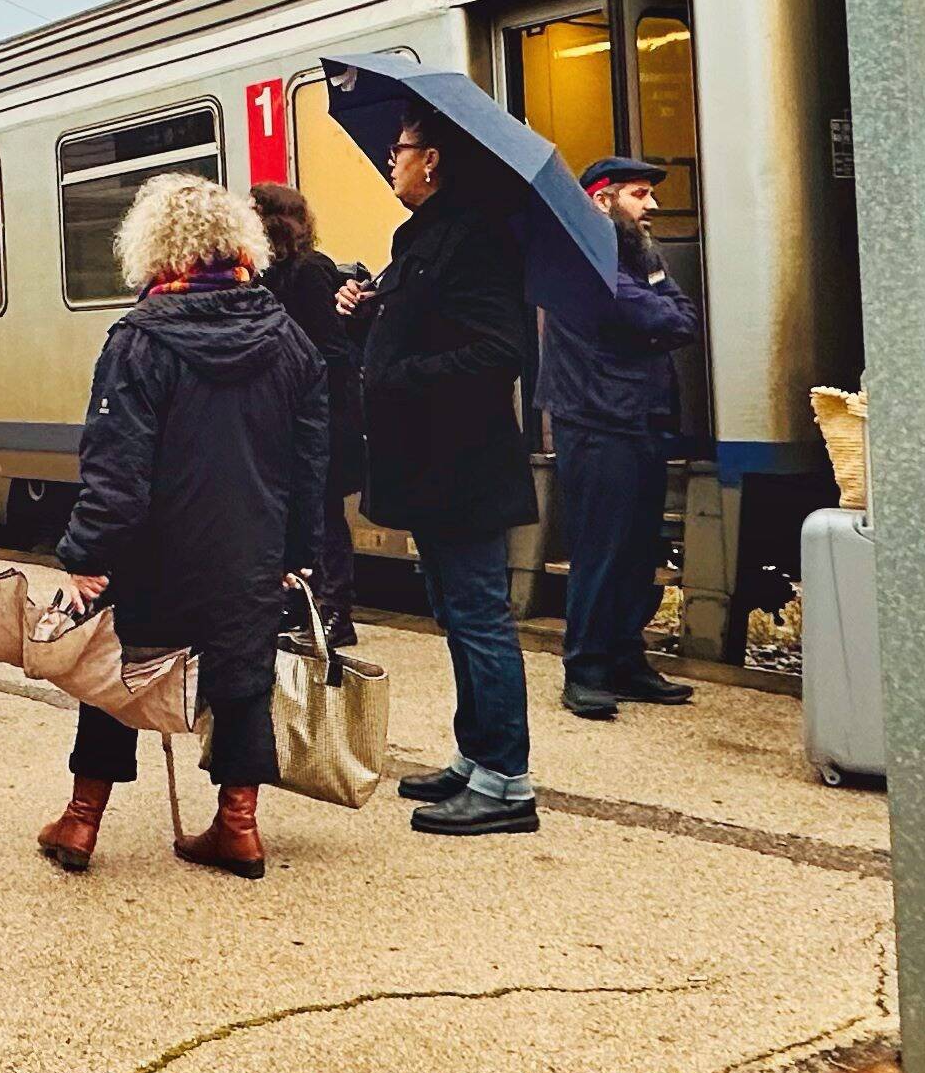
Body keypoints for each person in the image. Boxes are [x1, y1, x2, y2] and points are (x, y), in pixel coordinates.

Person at [40, 175, 325, 878]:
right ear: (237, 244)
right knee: (242, 680)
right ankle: (239, 827)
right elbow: (311, 457)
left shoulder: (139, 339)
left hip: (152, 550)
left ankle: (81, 823)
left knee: (115, 675)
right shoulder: (288, 338)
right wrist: (297, 550)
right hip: (248, 546)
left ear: (156, 247)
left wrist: (87, 552)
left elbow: (115, 462)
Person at [361, 112, 539, 838]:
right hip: (433, 465)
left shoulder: (476, 238)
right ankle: (475, 756)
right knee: (454, 613)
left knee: (478, 616)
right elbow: (423, 325)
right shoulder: (423, 237)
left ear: (431, 159)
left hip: (465, 464)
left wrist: (401, 375)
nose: (389, 160)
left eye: (397, 148)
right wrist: (363, 312)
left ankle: (507, 782)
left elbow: (499, 352)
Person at [542, 156, 702, 721]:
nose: (652, 207)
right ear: (602, 200)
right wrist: (656, 314)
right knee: (601, 549)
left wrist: (656, 312)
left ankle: (626, 658)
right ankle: (584, 668)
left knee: (637, 549)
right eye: (639, 195)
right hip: (597, 420)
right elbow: (655, 318)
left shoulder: (640, 257)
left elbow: (682, 316)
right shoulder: (578, 259)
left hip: (642, 417)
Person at [249, 183, 369, 651]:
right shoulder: (268, 275)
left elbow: (332, 349)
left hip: (321, 413)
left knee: (322, 513)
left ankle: (336, 611)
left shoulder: (309, 271)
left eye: (255, 211)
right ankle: (303, 602)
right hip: (290, 411)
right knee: (297, 509)